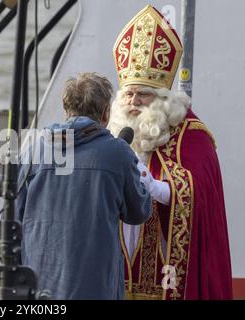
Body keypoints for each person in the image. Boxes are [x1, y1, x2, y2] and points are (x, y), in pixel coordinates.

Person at [109, 5, 233, 300]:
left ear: (163, 97)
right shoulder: (114, 132)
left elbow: (201, 193)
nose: (134, 101)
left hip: (168, 271)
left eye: (144, 93)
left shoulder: (191, 134)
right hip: (117, 266)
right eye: (128, 93)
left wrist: (157, 188)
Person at [15, 72, 152, 299]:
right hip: (95, 281)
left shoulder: (33, 149)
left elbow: (17, 214)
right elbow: (138, 212)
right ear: (106, 113)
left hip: (39, 280)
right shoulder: (118, 152)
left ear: (66, 109)